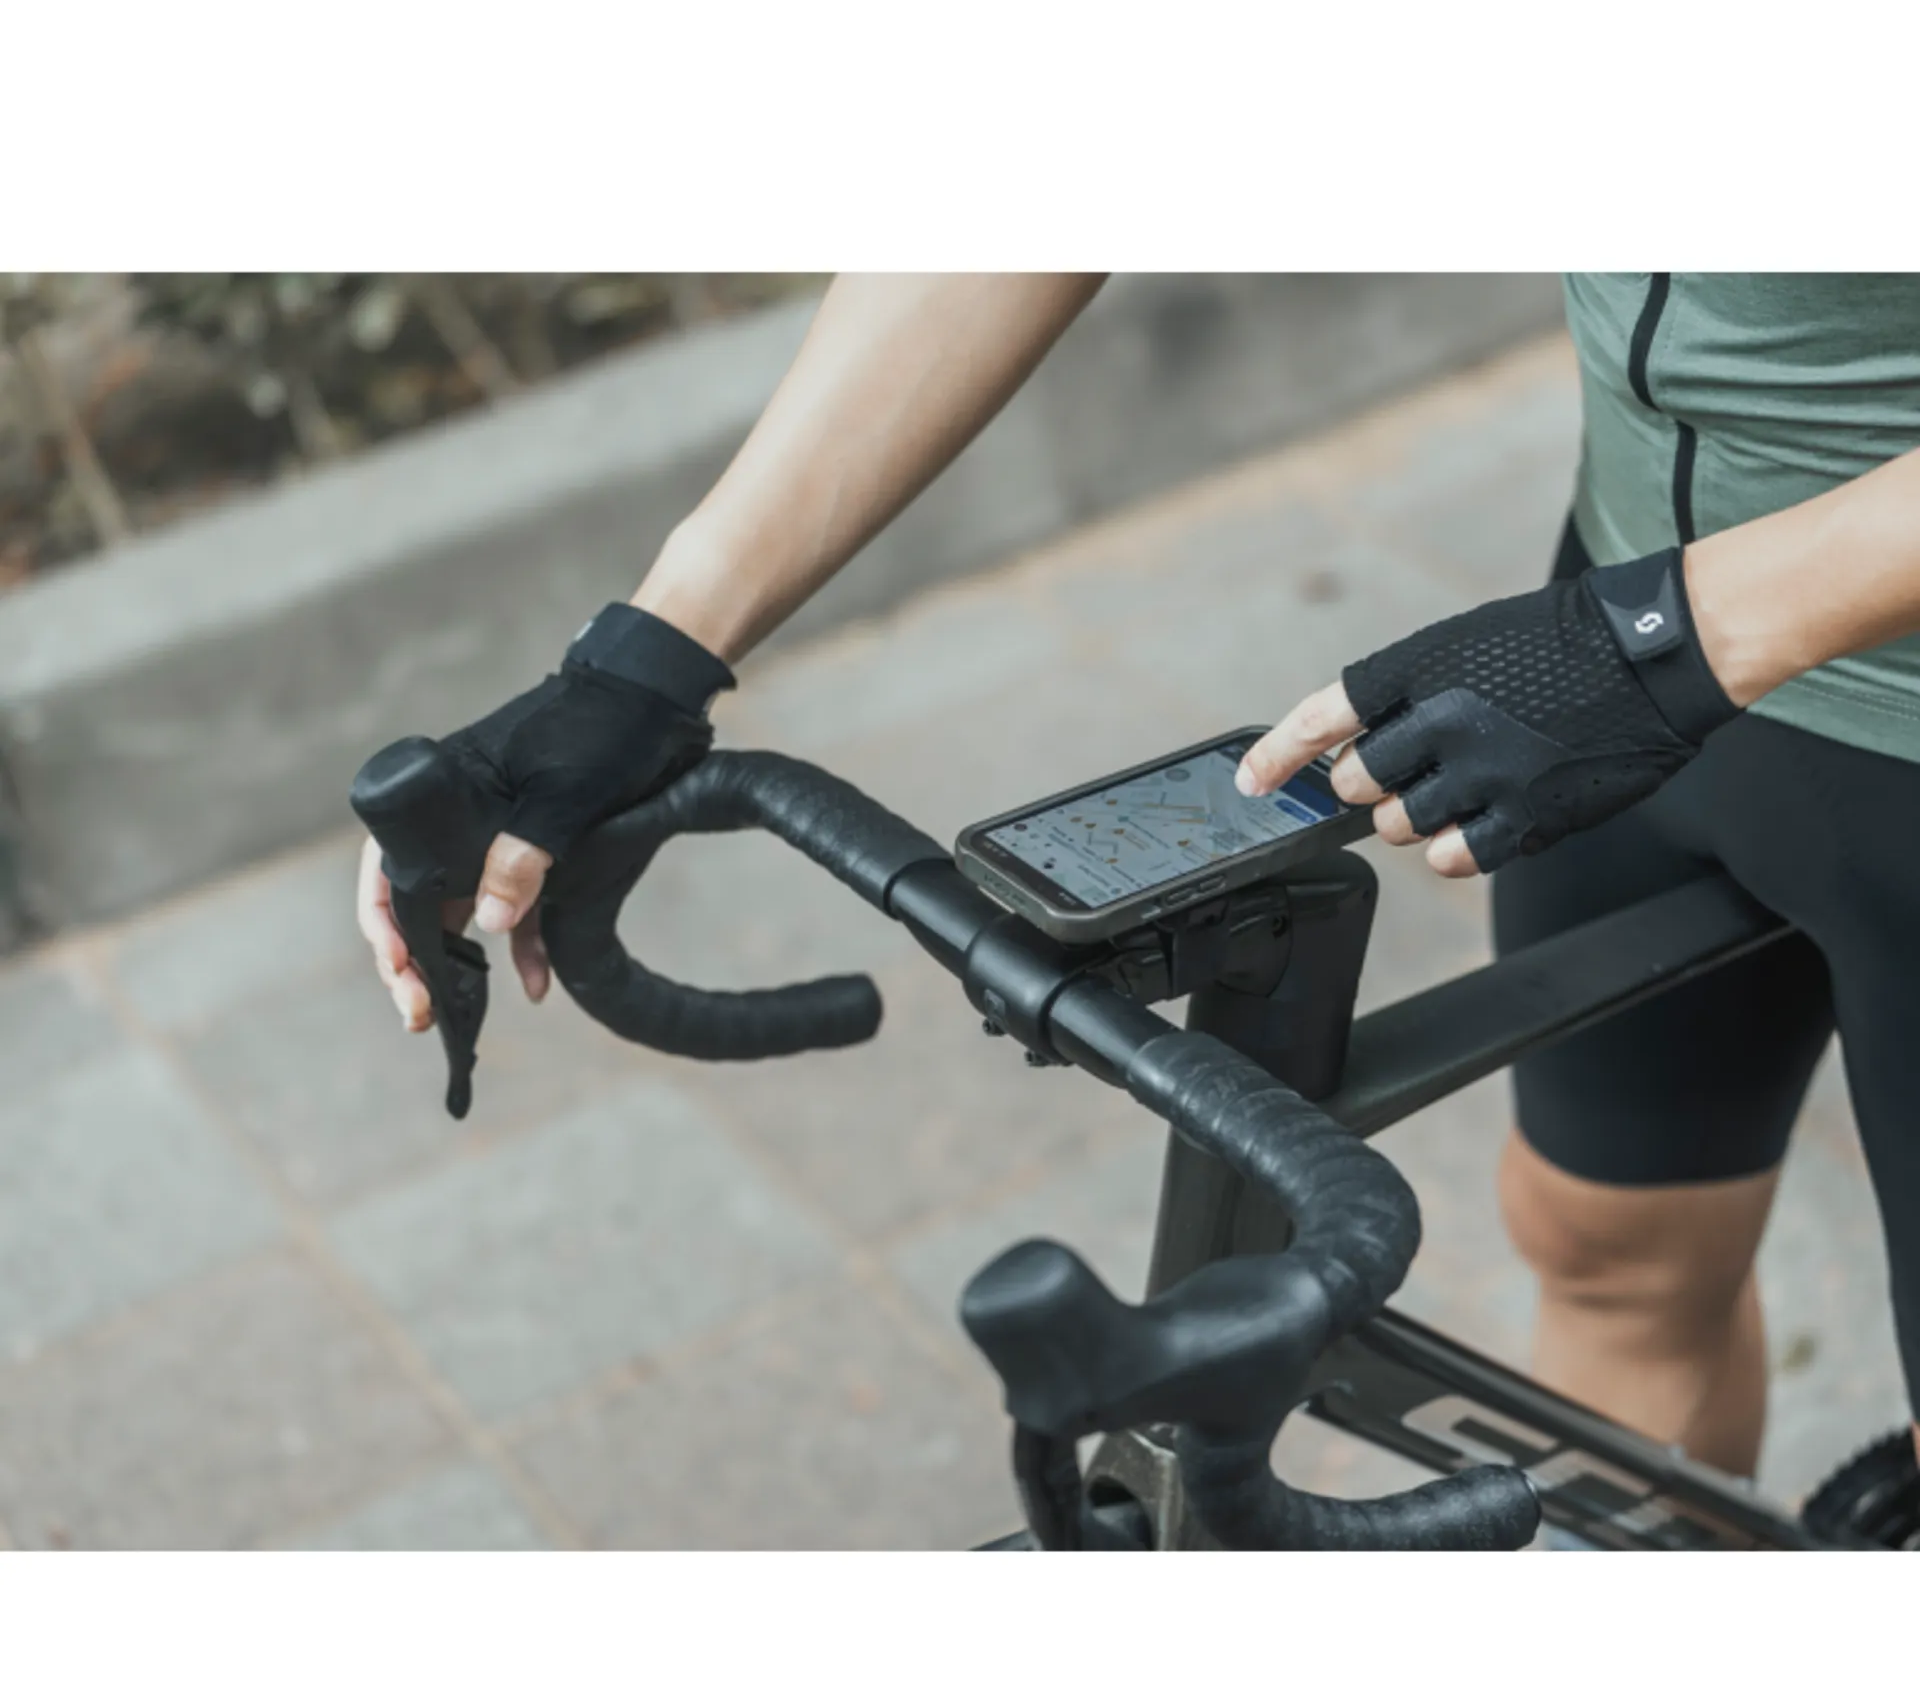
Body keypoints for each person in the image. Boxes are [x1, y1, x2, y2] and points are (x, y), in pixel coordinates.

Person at [356, 272, 1920, 1489]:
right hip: (1623, 651)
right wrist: (646, 660)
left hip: (1714, 665)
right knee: (1608, 1253)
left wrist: (1674, 637)